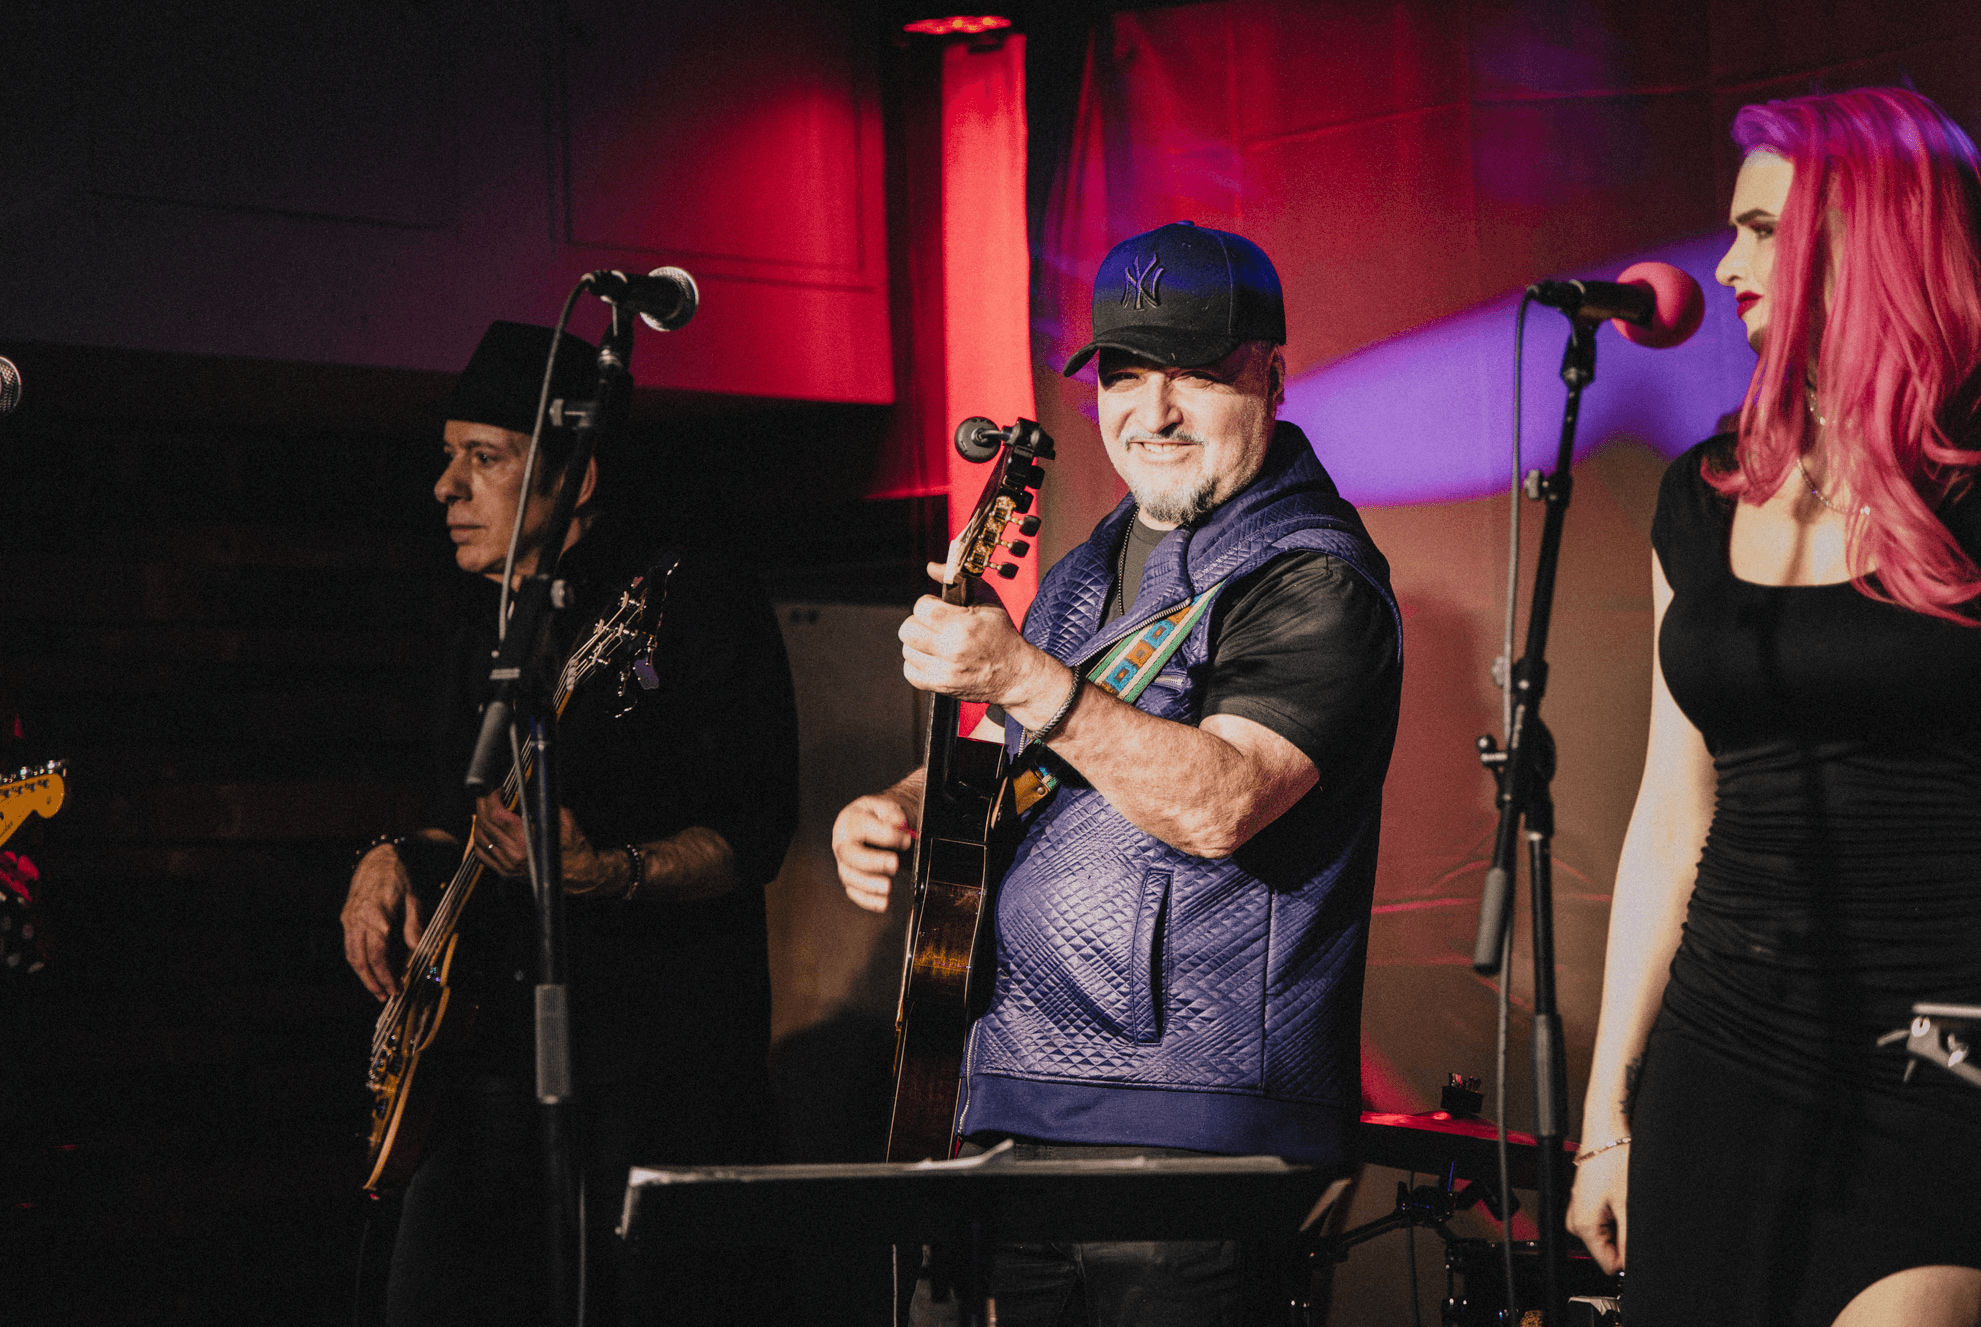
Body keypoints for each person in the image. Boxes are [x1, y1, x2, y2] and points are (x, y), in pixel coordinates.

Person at [832, 222, 1402, 1325]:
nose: (1154, 412)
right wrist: (898, 807)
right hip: (1018, 1095)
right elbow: (1027, 756)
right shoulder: (1084, 569)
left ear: (1273, 376)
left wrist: (1019, 673)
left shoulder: (1313, 574)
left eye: (1196, 374)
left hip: (1197, 1127)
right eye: (1126, 376)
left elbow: (1223, 800)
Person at [1567, 87, 1981, 1327]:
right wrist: (1605, 1113)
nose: (1723, 264)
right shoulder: (1702, 492)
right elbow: (1672, 809)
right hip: (1725, 1047)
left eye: (1760, 229)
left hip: (1944, 1052)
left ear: (1871, 238)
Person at [339, 321, 799, 1326]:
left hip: (654, 1072)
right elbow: (461, 819)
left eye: (483, 458)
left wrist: (605, 871)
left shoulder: (689, 598)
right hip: (487, 1054)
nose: (446, 487)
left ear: (576, 479)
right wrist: (391, 855)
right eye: (448, 456)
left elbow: (752, 833)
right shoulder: (484, 622)